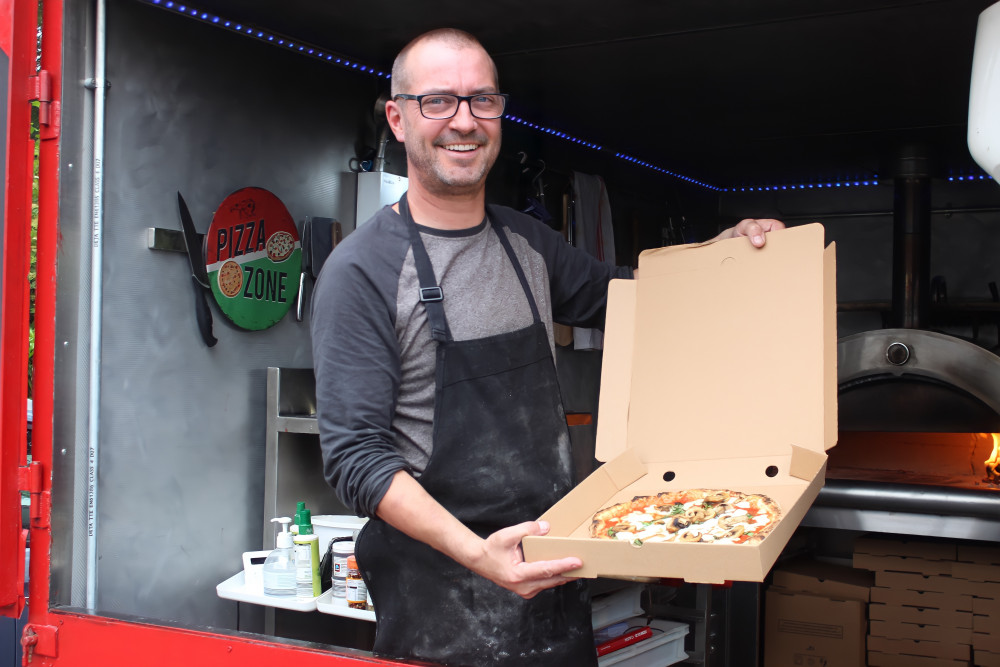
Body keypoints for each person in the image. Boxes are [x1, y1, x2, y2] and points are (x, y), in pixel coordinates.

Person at [310, 28, 784, 667]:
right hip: (441, 603)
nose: (464, 121)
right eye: (439, 102)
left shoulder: (526, 243)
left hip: (553, 573)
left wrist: (727, 255)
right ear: (398, 118)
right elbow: (356, 458)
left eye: (482, 100)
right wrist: (480, 555)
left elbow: (641, 301)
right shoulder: (361, 270)